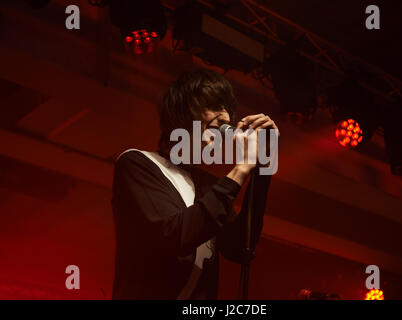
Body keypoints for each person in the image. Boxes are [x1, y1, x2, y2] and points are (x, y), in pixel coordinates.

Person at [111, 68, 279, 299]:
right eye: (214, 106)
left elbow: (239, 248)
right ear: (182, 113)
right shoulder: (137, 164)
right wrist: (241, 168)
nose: (226, 118)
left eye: (226, 109)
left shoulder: (208, 186)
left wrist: (261, 168)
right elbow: (174, 236)